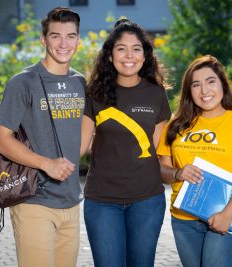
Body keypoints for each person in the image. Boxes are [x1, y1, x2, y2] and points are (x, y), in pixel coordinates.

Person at [0, 7, 85, 267]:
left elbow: (87, 136)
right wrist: (46, 163)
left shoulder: (81, 83)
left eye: (71, 36)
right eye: (56, 36)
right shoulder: (23, 82)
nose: (64, 43)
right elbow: (0, 139)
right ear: (43, 39)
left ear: (79, 39)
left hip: (71, 201)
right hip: (34, 201)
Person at [157, 55, 232, 267]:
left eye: (210, 81)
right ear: (189, 91)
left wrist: (228, 213)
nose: (204, 91)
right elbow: (163, 169)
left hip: (226, 212)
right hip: (184, 218)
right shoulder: (177, 123)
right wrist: (178, 173)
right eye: (196, 85)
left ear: (223, 84)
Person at [80, 19, 171, 267]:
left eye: (136, 48)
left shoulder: (156, 93)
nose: (129, 55)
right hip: (102, 201)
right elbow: (79, 145)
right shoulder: (94, 93)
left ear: (145, 55)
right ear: (110, 55)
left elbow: (159, 151)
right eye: (121, 48)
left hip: (147, 200)